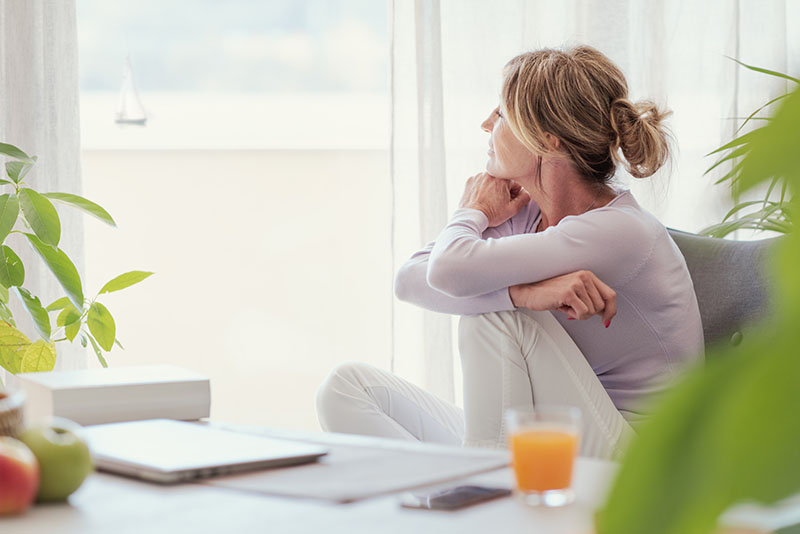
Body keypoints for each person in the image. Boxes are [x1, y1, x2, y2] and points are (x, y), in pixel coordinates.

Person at [315, 45, 704, 459]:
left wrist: (471, 212)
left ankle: (484, 495)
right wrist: (525, 293)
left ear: (546, 140)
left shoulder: (619, 231)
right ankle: (452, 499)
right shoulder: (528, 211)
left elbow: (450, 272)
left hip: (638, 463)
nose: (486, 124)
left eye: (500, 115)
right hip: (557, 433)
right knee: (346, 388)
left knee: (494, 315)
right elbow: (410, 279)